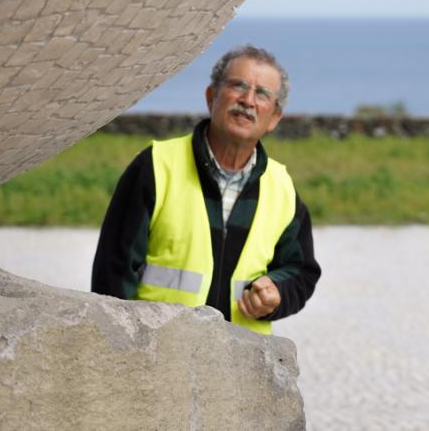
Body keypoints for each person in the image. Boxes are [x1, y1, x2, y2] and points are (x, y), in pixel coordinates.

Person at [91, 45, 321, 334]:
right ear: (211, 96)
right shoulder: (155, 166)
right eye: (238, 85)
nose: (248, 100)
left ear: (274, 117)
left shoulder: (281, 186)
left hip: (243, 364)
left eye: (262, 93)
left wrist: (277, 293)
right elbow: (112, 274)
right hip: (158, 356)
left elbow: (301, 272)